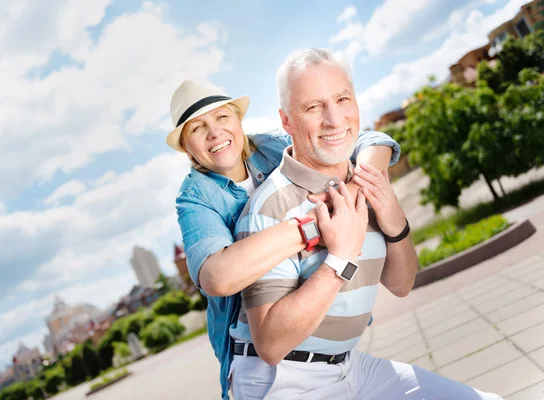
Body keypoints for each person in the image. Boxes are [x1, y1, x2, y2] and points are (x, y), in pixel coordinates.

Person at [229, 48, 503, 399]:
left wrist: (395, 224)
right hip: (282, 381)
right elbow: (270, 344)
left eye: (342, 99)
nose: (334, 119)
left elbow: (402, 284)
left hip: (349, 366)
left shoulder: (363, 177)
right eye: (313, 107)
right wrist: (340, 257)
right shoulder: (269, 207)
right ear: (286, 122)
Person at [167, 78, 401, 399]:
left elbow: (373, 139)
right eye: (197, 128)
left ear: (238, 120)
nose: (214, 132)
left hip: (317, 340)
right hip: (264, 367)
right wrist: (313, 226)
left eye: (222, 117)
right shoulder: (195, 197)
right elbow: (217, 277)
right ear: (185, 145)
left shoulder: (274, 146)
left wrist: (356, 188)